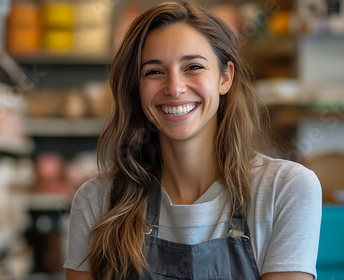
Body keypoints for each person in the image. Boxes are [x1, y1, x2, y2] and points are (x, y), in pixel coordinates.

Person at [64, 1, 322, 280]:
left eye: (194, 67)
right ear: (135, 87)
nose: (174, 87)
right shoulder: (98, 201)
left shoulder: (285, 191)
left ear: (225, 77)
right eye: (154, 71)